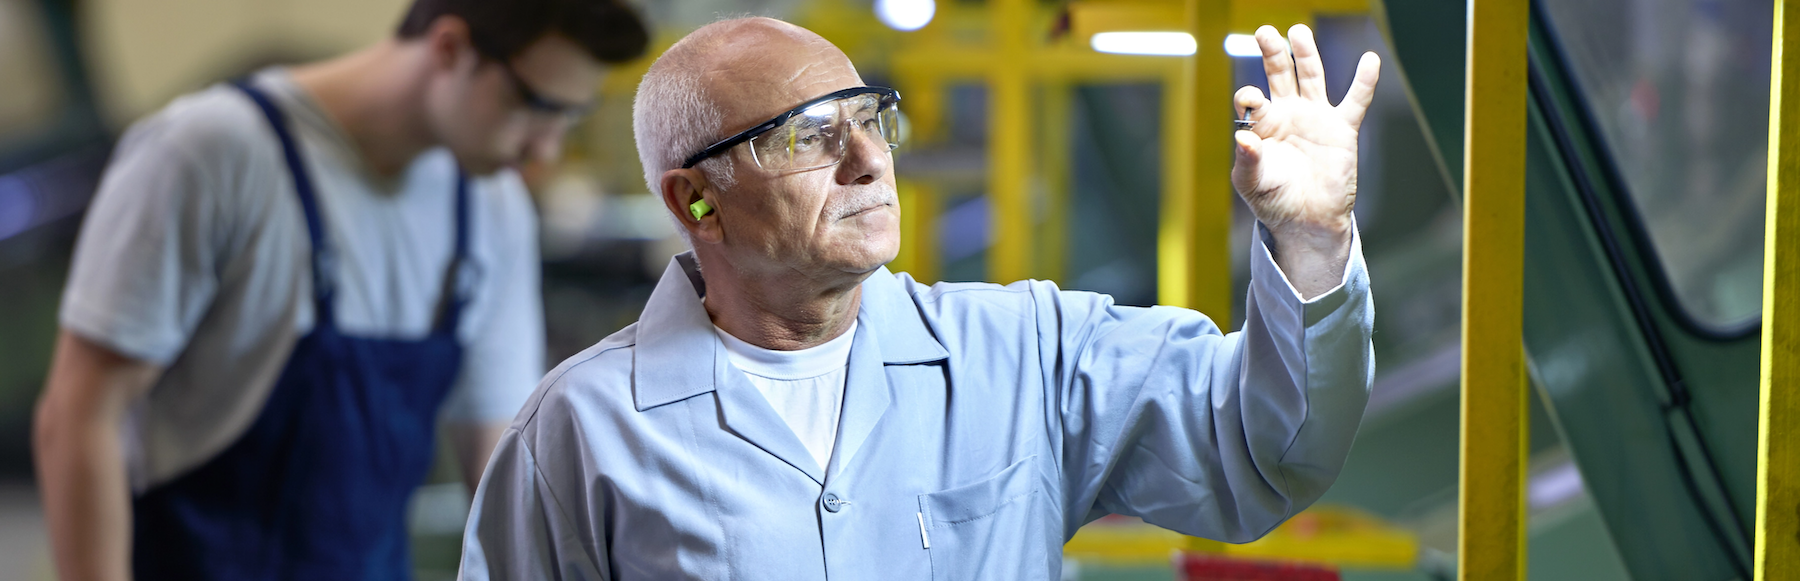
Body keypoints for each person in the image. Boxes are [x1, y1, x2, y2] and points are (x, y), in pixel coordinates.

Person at [460, 16, 1379, 580]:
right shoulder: (582, 428)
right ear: (695, 199)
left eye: (871, 118)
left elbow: (1265, 448)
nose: (869, 161)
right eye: (809, 137)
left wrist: (1310, 239)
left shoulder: (1029, 351)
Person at [30, 1, 648, 579]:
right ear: (452, 47)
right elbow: (79, 417)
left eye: (569, 115)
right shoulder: (213, 152)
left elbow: (500, 462)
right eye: (534, 104)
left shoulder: (491, 207)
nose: (546, 147)